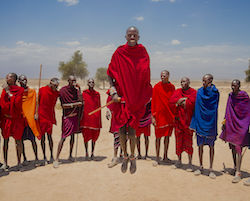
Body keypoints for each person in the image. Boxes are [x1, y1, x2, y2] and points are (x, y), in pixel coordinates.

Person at [107, 26, 152, 174]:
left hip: (135, 97)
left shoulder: (143, 52)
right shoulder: (119, 52)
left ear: (138, 37)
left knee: (132, 130)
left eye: (135, 34)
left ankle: (132, 157)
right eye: (129, 34)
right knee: (121, 129)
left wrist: (142, 94)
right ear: (125, 36)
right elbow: (110, 74)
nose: (132, 36)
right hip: (121, 98)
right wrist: (113, 92)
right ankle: (124, 156)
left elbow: (145, 76)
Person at [220, 79, 250, 183]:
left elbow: (247, 111)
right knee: (233, 147)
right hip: (232, 125)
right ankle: (235, 167)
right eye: (231, 85)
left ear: (239, 86)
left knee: (238, 148)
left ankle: (238, 172)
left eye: (235, 85)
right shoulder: (230, 96)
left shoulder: (244, 96)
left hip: (242, 126)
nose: (233, 87)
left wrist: (246, 125)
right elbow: (227, 109)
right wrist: (224, 122)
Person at [190, 74, 219, 179]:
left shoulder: (215, 93)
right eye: (202, 80)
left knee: (211, 147)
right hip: (200, 122)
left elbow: (214, 108)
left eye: (205, 80)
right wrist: (195, 123)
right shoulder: (200, 92)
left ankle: (211, 169)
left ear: (210, 80)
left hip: (210, 123)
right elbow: (197, 108)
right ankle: (200, 166)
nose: (203, 82)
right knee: (200, 146)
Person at [53, 75, 83, 168]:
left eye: (75, 80)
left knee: (73, 136)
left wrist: (80, 89)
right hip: (67, 117)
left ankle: (70, 155)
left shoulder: (76, 91)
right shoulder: (63, 90)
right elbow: (63, 105)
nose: (73, 82)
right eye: (71, 80)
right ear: (68, 81)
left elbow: (81, 101)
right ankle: (56, 159)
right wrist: (74, 104)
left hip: (75, 117)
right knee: (63, 137)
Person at [170, 77, 196, 170]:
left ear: (189, 82)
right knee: (178, 142)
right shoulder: (177, 91)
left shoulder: (193, 92)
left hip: (188, 122)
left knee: (189, 142)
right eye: (181, 81)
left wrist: (183, 100)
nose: (182, 83)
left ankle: (190, 163)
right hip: (178, 122)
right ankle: (179, 161)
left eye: (184, 81)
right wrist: (182, 100)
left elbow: (193, 102)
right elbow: (172, 101)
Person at [0, 73, 24, 170]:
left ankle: (19, 163)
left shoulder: (20, 90)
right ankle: (5, 163)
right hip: (6, 119)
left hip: (16, 119)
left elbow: (17, 104)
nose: (6, 78)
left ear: (14, 79)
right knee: (5, 140)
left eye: (9, 76)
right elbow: (2, 104)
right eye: (6, 76)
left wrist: (8, 92)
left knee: (18, 141)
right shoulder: (4, 90)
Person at [151, 70, 175, 166]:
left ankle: (165, 156)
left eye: (164, 75)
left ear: (168, 76)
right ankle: (157, 157)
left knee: (167, 137)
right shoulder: (156, 87)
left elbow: (173, 101)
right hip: (159, 116)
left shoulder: (172, 87)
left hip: (169, 116)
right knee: (158, 138)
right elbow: (153, 102)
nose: (162, 77)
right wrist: (153, 116)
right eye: (161, 75)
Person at [18, 75, 41, 165]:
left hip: (30, 119)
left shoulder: (32, 91)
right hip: (21, 119)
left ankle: (36, 158)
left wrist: (36, 113)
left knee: (33, 140)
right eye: (22, 80)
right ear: (19, 81)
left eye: (25, 80)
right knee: (21, 141)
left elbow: (35, 103)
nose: (24, 81)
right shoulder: (17, 92)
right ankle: (24, 158)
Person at [38, 78, 59, 163]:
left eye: (57, 86)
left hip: (50, 116)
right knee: (42, 137)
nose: (56, 87)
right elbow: (37, 102)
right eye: (54, 85)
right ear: (50, 83)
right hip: (42, 115)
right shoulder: (42, 90)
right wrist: (36, 114)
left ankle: (51, 156)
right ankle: (44, 156)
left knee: (50, 137)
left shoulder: (56, 93)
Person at [81, 78, 102, 160]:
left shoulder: (97, 94)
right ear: (87, 83)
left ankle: (92, 153)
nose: (91, 83)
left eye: (92, 82)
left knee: (94, 137)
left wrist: (99, 120)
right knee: (86, 137)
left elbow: (99, 106)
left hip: (95, 118)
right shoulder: (84, 93)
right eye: (90, 82)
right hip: (86, 118)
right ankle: (86, 152)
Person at [106, 90, 123, 168]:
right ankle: (115, 157)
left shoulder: (125, 86)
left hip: (124, 116)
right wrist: (108, 111)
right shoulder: (112, 90)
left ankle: (122, 155)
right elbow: (109, 102)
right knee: (116, 137)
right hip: (116, 117)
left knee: (124, 137)